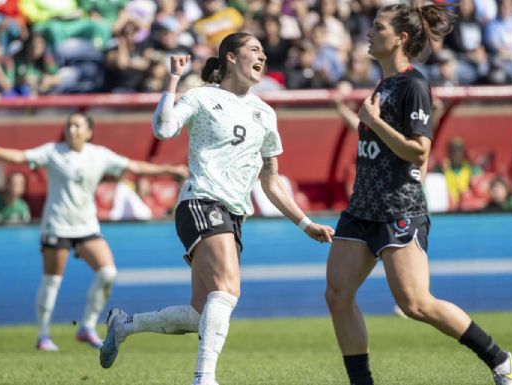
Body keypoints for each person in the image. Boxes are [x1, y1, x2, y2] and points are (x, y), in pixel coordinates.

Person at [99, 33, 335, 385]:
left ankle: (124, 324)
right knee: (227, 289)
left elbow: (271, 182)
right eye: (254, 49)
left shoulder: (265, 113)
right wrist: (173, 79)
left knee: (200, 313)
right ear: (229, 57)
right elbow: (163, 129)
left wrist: (305, 222)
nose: (262, 56)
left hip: (233, 215)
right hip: (201, 200)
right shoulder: (202, 97)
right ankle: (204, 379)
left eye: (263, 51)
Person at [324, 4, 512, 385]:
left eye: (377, 27)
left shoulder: (413, 84)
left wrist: (373, 122)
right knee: (337, 294)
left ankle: (501, 360)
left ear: (400, 38)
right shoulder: (383, 83)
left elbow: (419, 151)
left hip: (398, 211)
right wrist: (368, 124)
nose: (368, 33)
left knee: (416, 304)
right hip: (361, 209)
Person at [0, 112, 188, 351]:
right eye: (69, 124)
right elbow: (21, 156)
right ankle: (43, 335)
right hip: (57, 225)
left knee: (108, 272)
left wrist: (170, 170)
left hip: (87, 226)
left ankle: (86, 326)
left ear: (89, 132)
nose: (72, 129)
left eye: (77, 125)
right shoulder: (53, 151)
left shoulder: (99, 155)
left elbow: (135, 166)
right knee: (52, 281)